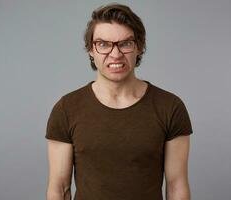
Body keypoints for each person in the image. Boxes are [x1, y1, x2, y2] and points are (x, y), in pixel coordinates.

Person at [45, 3, 193, 200]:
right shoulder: (66, 109)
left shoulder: (170, 107)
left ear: (139, 47)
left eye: (125, 43)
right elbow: (59, 188)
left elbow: (176, 187)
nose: (115, 54)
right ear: (91, 49)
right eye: (103, 44)